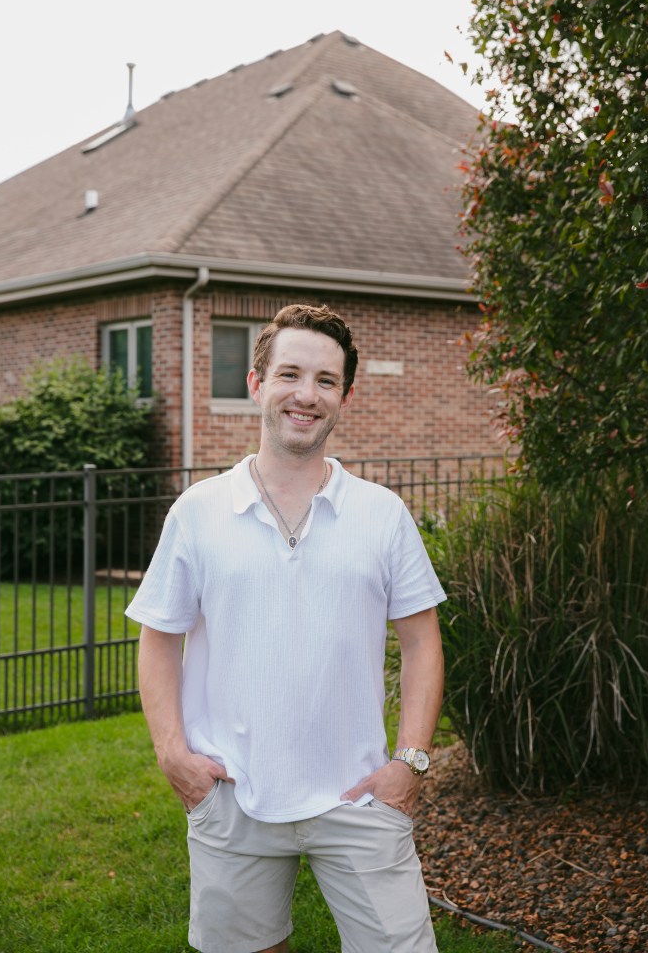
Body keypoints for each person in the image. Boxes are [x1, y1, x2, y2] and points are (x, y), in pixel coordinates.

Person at [126, 303, 446, 953]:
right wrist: (172, 754)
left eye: (326, 380)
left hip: (361, 798)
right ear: (256, 384)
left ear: (344, 397)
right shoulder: (198, 512)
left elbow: (422, 643)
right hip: (232, 794)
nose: (307, 394)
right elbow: (158, 637)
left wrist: (410, 761)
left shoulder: (383, 515)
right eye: (290, 375)